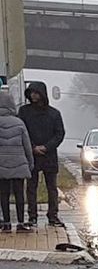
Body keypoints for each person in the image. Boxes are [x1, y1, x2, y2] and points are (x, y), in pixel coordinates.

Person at [19, 82, 66, 227]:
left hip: (49, 155)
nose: (33, 95)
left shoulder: (54, 113)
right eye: (31, 92)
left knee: (51, 187)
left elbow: (59, 133)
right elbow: (22, 131)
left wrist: (46, 147)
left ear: (42, 94)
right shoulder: (24, 112)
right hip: (31, 155)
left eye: (36, 92)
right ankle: (32, 216)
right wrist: (32, 147)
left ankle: (53, 215)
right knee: (31, 186)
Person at [0, 92, 34, 232]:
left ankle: (6, 223)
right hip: (19, 163)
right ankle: (20, 223)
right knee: (20, 193)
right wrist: (30, 163)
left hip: (1, 163)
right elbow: (27, 145)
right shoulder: (19, 123)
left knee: (3, 194)